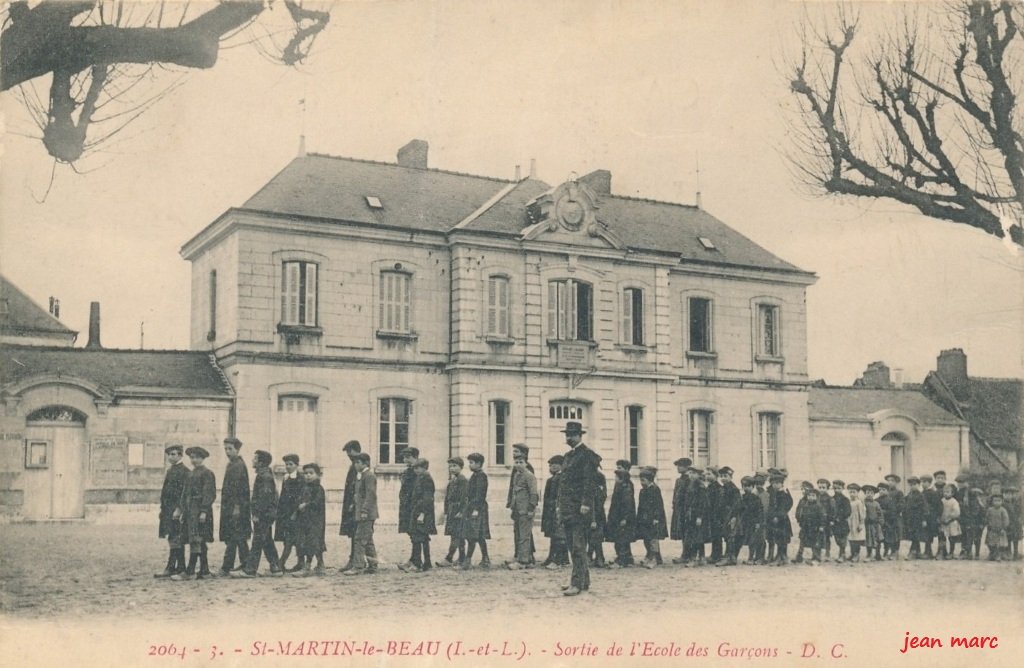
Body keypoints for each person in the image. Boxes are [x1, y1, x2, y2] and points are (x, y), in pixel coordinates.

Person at [556, 421, 600, 596]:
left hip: (579, 509)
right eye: (567, 434)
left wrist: (586, 504)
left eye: (572, 434)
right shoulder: (568, 456)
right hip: (568, 508)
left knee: (577, 546)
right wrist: (559, 505)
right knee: (572, 546)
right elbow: (563, 484)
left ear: (580, 436)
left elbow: (589, 483)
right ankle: (583, 581)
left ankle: (576, 583)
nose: (569, 437)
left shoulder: (587, 455)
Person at [234, 450, 282, 577]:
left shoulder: (264, 476)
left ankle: (250, 570)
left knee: (257, 541)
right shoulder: (265, 474)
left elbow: (264, 498)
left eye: (255, 459)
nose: (252, 461)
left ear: (261, 463)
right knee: (266, 540)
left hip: (263, 515)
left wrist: (257, 514)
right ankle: (276, 567)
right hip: (267, 514)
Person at [171, 447, 216, 581]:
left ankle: (190, 571)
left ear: (203, 458)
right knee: (197, 540)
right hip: (190, 511)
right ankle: (205, 570)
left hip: (200, 511)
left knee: (196, 540)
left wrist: (203, 511)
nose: (194, 460)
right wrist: (180, 509)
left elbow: (209, 494)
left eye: (197, 457)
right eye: (192, 457)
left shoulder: (207, 473)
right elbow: (185, 494)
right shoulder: (190, 474)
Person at [218, 437, 251, 576]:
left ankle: (229, 567)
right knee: (236, 537)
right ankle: (244, 564)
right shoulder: (232, 464)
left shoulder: (238, 465)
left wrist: (237, 508)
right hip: (230, 506)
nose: (227, 451)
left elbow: (239, 489)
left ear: (237, 450)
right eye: (225, 448)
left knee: (236, 536)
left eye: (230, 449)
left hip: (236, 507)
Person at [155, 445, 189, 578]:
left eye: (174, 454)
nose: (171, 457)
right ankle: (173, 567)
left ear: (181, 456)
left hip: (176, 511)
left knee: (177, 538)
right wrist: (162, 510)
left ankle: (177, 567)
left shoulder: (184, 471)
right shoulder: (171, 470)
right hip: (168, 510)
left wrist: (179, 509)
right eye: (169, 454)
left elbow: (184, 493)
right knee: (172, 538)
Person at [344, 453, 379, 575]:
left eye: (358, 462)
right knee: (367, 539)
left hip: (366, 514)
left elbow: (370, 495)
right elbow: (360, 494)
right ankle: (373, 564)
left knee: (359, 539)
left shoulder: (369, 476)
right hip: (361, 512)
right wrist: (354, 504)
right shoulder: (361, 475)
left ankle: (358, 566)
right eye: (355, 462)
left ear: (365, 463)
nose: (355, 465)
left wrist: (364, 510)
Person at [402, 458, 437, 572]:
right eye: (415, 468)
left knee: (418, 537)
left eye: (417, 468)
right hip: (417, 511)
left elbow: (427, 498)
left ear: (424, 468)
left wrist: (422, 514)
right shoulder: (420, 478)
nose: (415, 470)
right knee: (422, 537)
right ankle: (427, 563)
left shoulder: (426, 479)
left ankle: (417, 564)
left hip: (422, 512)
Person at [506, 453, 539, 570]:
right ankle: (526, 559)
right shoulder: (516, 476)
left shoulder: (529, 476)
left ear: (526, 463)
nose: (518, 464)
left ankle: (523, 561)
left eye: (521, 462)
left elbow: (534, 494)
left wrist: (531, 509)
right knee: (519, 535)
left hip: (526, 511)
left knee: (524, 536)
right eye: (516, 462)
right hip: (518, 510)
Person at [294, 463, 326, 577]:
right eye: (306, 473)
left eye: (311, 473)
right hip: (305, 520)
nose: (308, 476)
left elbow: (317, 503)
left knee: (313, 542)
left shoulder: (318, 489)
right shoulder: (305, 487)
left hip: (315, 521)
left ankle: (307, 567)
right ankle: (320, 565)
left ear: (318, 475)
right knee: (312, 542)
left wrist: (306, 505)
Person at [438, 456, 468, 567]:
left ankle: (449, 558)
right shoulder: (452, 481)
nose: (451, 468)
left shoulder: (462, 480)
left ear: (461, 467)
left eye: (454, 466)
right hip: (452, 510)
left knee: (457, 535)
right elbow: (447, 498)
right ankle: (461, 557)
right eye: (450, 466)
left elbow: (465, 498)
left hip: (458, 511)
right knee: (455, 535)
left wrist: (461, 511)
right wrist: (445, 512)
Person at [276, 454, 304, 572]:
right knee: (288, 539)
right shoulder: (286, 478)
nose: (288, 466)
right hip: (285, 514)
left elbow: (301, 496)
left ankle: (283, 563)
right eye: (286, 464)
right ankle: (295, 563)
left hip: (296, 514)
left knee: (295, 540)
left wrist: (295, 512)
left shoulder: (300, 479)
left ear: (297, 465)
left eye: (291, 464)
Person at [605, 460, 636, 568]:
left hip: (622, 517)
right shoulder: (621, 485)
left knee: (621, 539)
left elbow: (627, 504)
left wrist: (625, 518)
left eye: (619, 468)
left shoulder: (626, 486)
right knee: (621, 538)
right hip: (617, 516)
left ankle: (622, 560)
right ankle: (626, 558)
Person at [463, 453, 491, 569]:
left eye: (471, 463)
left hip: (477, 509)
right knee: (479, 535)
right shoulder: (475, 475)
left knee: (472, 535)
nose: (469, 465)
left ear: (479, 464)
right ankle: (486, 559)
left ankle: (467, 561)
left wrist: (475, 510)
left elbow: (480, 495)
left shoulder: (481, 476)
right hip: (473, 508)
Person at [636, 467, 667, 568]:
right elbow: (640, 506)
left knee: (653, 539)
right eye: (640, 480)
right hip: (644, 519)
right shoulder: (642, 491)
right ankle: (652, 556)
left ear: (649, 480)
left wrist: (656, 518)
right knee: (646, 538)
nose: (641, 482)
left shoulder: (655, 490)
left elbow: (659, 505)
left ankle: (654, 559)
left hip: (654, 519)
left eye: (643, 480)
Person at [338, 440, 362, 572]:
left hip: (355, 505)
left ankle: (356, 560)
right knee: (354, 534)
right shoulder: (354, 465)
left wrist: (353, 503)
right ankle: (355, 559)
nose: (348, 455)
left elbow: (357, 488)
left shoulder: (358, 466)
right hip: (351, 504)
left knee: (357, 534)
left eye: (349, 451)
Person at [541, 455, 568, 569]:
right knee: (554, 534)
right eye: (550, 465)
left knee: (559, 535)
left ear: (559, 466)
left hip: (557, 510)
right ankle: (553, 557)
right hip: (550, 510)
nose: (550, 467)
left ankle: (559, 560)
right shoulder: (552, 479)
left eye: (553, 465)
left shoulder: (562, 478)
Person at [397, 446, 420, 570]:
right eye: (404, 457)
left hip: (413, 506)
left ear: (415, 457)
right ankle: (413, 559)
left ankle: (417, 561)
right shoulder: (408, 471)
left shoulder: (417, 472)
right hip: (407, 506)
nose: (405, 460)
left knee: (416, 534)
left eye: (408, 457)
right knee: (412, 533)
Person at [683, 466, 709, 567]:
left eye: (693, 473)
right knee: (696, 537)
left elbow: (703, 503)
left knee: (696, 537)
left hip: (697, 516)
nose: (691, 475)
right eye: (689, 473)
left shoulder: (700, 486)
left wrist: (700, 517)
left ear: (699, 475)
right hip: (690, 515)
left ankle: (693, 559)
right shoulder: (690, 485)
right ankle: (702, 557)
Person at [766, 473, 793, 566]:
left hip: (782, 520)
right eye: (774, 483)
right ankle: (780, 556)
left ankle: (781, 556)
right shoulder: (772, 493)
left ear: (782, 484)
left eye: (778, 483)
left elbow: (786, 506)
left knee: (783, 538)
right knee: (777, 538)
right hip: (773, 520)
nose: (775, 485)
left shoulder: (784, 494)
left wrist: (778, 516)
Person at [717, 466, 741, 566]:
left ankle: (729, 557)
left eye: (725, 476)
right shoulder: (723, 488)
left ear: (730, 477)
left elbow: (737, 504)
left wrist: (734, 517)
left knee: (730, 536)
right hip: (724, 515)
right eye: (721, 476)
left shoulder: (733, 489)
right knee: (726, 536)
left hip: (731, 515)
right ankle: (731, 557)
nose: (723, 478)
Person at [795, 486, 825, 564]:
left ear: (816, 497)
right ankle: (799, 556)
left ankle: (816, 558)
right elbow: (802, 515)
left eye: (813, 496)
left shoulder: (819, 506)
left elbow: (822, 517)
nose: (811, 497)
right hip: (805, 527)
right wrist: (801, 522)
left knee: (815, 543)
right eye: (809, 496)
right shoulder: (805, 505)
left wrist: (821, 526)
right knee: (802, 541)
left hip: (815, 528)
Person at [670, 457, 691, 564]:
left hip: (685, 509)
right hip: (679, 509)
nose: (678, 468)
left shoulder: (689, 480)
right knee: (682, 532)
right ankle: (685, 554)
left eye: (680, 466)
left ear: (687, 467)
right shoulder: (679, 480)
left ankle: (687, 555)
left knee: (687, 532)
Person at [738, 476, 763, 565]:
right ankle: (750, 557)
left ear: (752, 487)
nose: (745, 488)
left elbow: (759, 511)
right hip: (745, 522)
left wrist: (758, 522)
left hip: (753, 522)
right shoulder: (742, 498)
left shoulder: (755, 498)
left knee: (753, 541)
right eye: (744, 486)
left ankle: (752, 558)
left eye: (748, 486)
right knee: (747, 540)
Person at [588, 464, 609, 568]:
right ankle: (592, 556)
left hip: (597, 511)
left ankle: (599, 557)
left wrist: (593, 518)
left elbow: (603, 495)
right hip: (592, 510)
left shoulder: (599, 476)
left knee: (596, 535)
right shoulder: (589, 475)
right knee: (592, 535)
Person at [958, 482, 984, 560]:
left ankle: (977, 554)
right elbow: (967, 513)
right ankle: (968, 552)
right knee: (968, 538)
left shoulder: (981, 505)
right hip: (970, 522)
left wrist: (982, 524)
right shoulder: (968, 503)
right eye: (975, 494)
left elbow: (982, 515)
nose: (977, 496)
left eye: (979, 495)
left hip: (978, 524)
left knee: (977, 539)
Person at [904, 476, 928, 559]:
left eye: (914, 484)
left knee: (916, 535)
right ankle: (917, 551)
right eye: (910, 485)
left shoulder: (920, 495)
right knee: (913, 535)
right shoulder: (908, 495)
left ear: (918, 485)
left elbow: (924, 507)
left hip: (918, 519)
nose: (912, 486)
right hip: (910, 519)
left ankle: (913, 551)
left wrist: (924, 519)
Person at [877, 483, 901, 560]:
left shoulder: (890, 500)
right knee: (882, 538)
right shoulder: (876, 500)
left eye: (883, 490)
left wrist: (882, 512)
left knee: (890, 538)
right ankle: (885, 551)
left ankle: (893, 552)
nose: (881, 491)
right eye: (880, 489)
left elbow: (892, 512)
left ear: (887, 491)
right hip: (880, 522)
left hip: (890, 522)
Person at [939, 482, 961, 560]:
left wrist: (950, 518)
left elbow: (957, 512)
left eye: (948, 492)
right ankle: (943, 552)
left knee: (952, 538)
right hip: (943, 522)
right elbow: (939, 510)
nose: (946, 493)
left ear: (952, 493)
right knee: (942, 537)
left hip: (951, 522)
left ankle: (951, 552)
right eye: (944, 492)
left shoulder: (954, 501)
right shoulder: (942, 500)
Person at [920, 474, 941, 559]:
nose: (923, 484)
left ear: (929, 483)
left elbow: (937, 505)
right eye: (922, 482)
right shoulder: (922, 493)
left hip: (931, 517)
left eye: (925, 482)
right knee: (926, 534)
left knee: (929, 535)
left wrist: (935, 516)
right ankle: (927, 551)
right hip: (925, 517)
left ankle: (929, 552)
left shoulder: (933, 493)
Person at [984, 493, 1010, 561]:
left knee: (999, 544)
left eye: (999, 501)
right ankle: (992, 554)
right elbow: (987, 518)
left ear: (1002, 501)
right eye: (995, 501)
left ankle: (998, 555)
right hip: (991, 529)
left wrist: (1004, 528)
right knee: (990, 543)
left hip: (1000, 530)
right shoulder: (990, 510)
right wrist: (987, 524)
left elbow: (1006, 520)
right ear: (992, 502)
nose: (997, 503)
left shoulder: (1003, 510)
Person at [815, 479, 835, 562]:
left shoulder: (830, 499)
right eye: (820, 487)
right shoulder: (816, 497)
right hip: (818, 521)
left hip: (826, 521)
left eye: (823, 487)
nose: (821, 489)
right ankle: (817, 554)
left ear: (827, 488)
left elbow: (833, 510)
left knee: (826, 538)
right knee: (817, 537)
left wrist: (831, 520)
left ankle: (827, 553)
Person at [862, 485, 884, 561]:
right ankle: (869, 554)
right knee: (869, 540)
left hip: (876, 525)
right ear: (865, 493)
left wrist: (881, 522)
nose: (869, 494)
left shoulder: (876, 504)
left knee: (878, 539)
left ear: (874, 494)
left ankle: (878, 554)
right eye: (867, 492)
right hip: (868, 525)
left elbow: (880, 513)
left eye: (871, 493)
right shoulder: (863, 503)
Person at [847, 483, 866, 562]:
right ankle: (852, 553)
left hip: (857, 523)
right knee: (851, 539)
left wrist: (861, 523)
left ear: (857, 492)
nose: (852, 494)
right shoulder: (848, 501)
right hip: (850, 522)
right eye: (850, 492)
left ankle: (856, 554)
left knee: (857, 539)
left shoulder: (859, 502)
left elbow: (862, 514)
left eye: (854, 492)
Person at [1005, 486, 1022, 561]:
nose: (1010, 496)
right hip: (1009, 523)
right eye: (1008, 494)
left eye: (1011, 494)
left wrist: (1020, 519)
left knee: (1016, 538)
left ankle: (1016, 552)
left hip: (1016, 524)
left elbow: (1020, 512)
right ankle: (1009, 553)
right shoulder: (1004, 504)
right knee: (1008, 538)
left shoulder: (1017, 503)